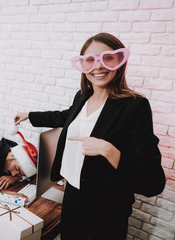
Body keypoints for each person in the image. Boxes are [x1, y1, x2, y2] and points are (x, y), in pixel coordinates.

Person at [13, 33, 166, 240]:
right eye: (91, 60)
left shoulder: (135, 106)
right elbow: (66, 117)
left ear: (119, 61)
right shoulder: (83, 96)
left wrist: (108, 150)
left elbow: (153, 180)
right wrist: (30, 116)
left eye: (107, 58)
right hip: (73, 195)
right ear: (83, 65)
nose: (99, 66)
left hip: (106, 208)